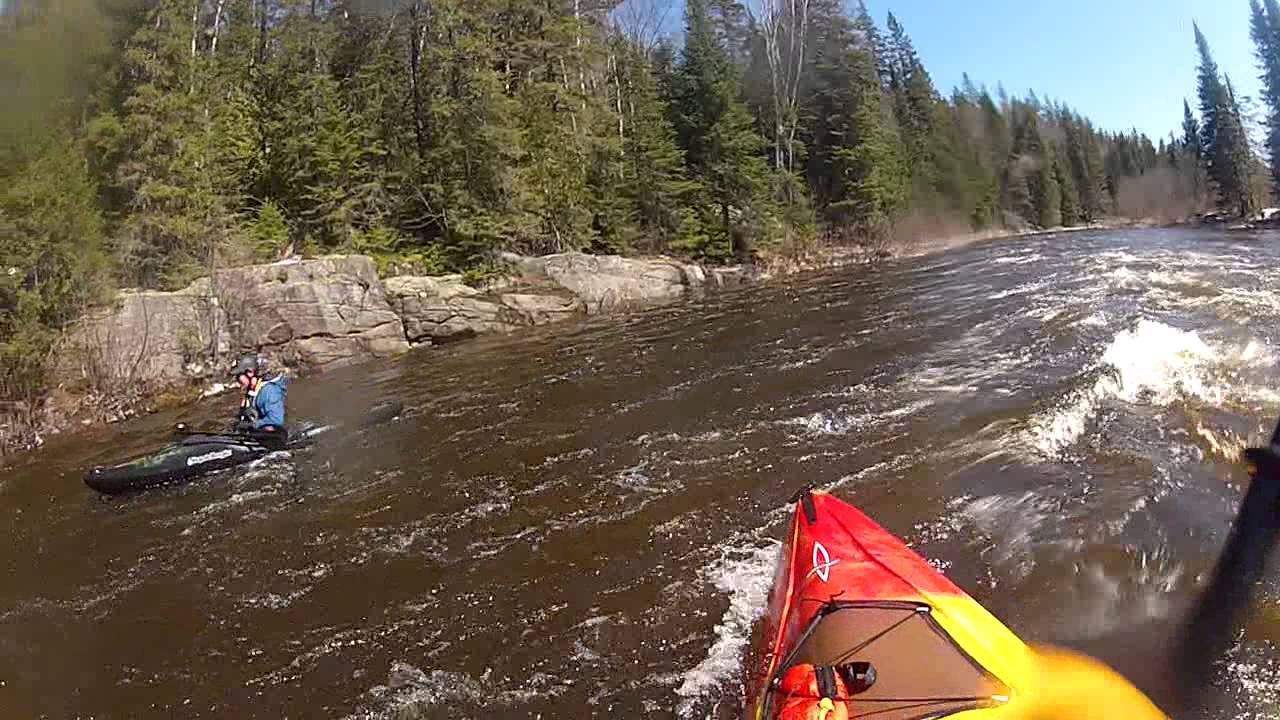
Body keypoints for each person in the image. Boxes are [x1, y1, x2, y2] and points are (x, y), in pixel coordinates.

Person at [229, 355, 289, 449]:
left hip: (272, 436)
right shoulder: (250, 389)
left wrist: (252, 425)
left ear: (250, 373)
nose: (236, 380)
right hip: (254, 432)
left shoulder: (269, 391)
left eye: (238, 376)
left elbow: (276, 420)